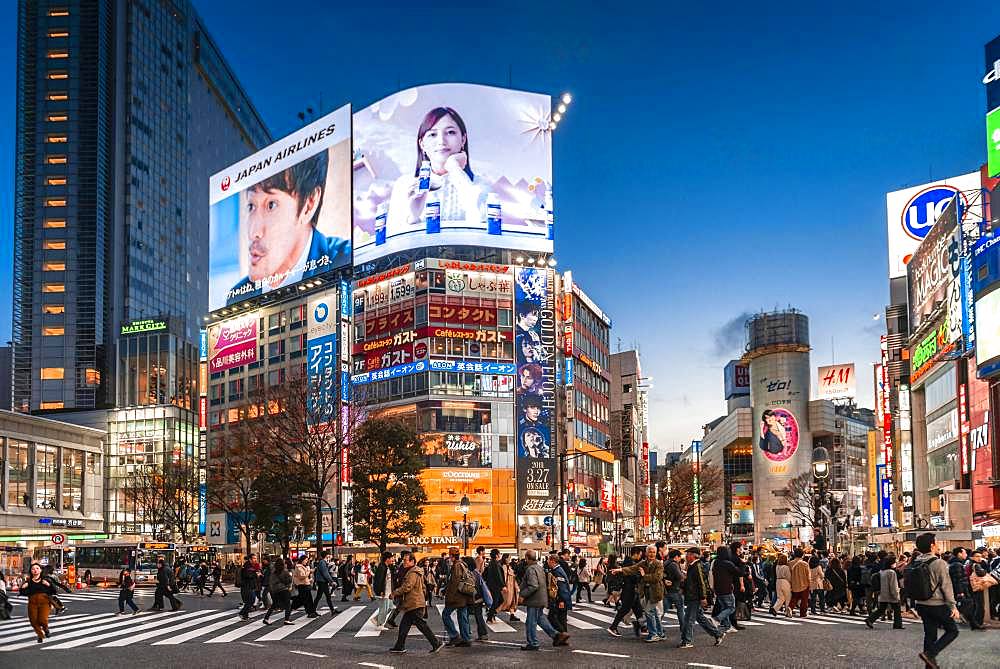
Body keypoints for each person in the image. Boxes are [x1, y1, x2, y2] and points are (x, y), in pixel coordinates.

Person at [226, 150, 350, 305]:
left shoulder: (347, 261)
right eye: (251, 206)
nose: (253, 232)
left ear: (309, 204)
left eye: (271, 205)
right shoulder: (238, 297)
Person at [386, 106, 485, 233]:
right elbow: (392, 242)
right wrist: (413, 218)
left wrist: (455, 169)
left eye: (450, 132)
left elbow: (487, 226)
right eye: (432, 134)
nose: (441, 141)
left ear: (463, 139)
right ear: (422, 144)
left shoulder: (478, 184)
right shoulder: (405, 185)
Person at [911, 533, 960, 669]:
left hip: (921, 603)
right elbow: (946, 586)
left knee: (930, 634)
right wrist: (953, 607)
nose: (938, 545)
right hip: (937, 604)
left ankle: (929, 665)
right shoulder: (939, 563)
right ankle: (930, 654)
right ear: (932, 545)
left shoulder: (915, 561)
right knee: (952, 630)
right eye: (936, 542)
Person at [388, 552, 444, 654]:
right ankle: (399, 646)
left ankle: (436, 643)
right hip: (413, 602)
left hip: (414, 603)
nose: (403, 562)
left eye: (406, 560)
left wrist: (395, 593)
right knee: (404, 625)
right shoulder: (412, 571)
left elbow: (407, 586)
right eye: (403, 560)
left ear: (412, 561)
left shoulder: (413, 573)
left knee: (421, 625)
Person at [518, 549, 570, 650]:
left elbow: (533, 585)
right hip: (542, 598)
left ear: (527, 558)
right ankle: (556, 635)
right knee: (540, 619)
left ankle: (533, 643)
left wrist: (522, 595)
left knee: (531, 622)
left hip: (534, 600)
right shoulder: (539, 567)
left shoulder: (531, 569)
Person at [613, 544, 666, 642]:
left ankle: (653, 634)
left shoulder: (658, 564)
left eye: (653, 552)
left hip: (655, 592)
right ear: (646, 553)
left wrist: (644, 575)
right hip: (645, 592)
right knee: (655, 613)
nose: (651, 554)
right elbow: (632, 568)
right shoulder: (643, 563)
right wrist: (619, 570)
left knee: (649, 612)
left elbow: (657, 578)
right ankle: (660, 633)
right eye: (650, 552)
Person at [679, 547, 724, 648]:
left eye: (688, 554)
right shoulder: (692, 566)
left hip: (695, 596)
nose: (686, 556)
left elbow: (701, 582)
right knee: (700, 618)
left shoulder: (697, 566)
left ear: (694, 555)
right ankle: (717, 634)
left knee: (689, 619)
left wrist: (703, 597)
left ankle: (687, 641)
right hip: (693, 595)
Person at [607, 546, 645, 637]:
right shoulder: (629, 563)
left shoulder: (630, 562)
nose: (640, 557)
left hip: (631, 590)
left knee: (638, 609)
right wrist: (640, 576)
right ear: (635, 554)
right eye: (639, 555)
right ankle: (613, 627)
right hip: (629, 590)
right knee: (625, 609)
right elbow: (631, 576)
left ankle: (642, 626)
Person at [710, 546, 744, 635]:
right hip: (726, 588)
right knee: (731, 607)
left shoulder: (716, 562)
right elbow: (739, 572)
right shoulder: (728, 563)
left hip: (718, 588)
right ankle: (717, 619)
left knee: (724, 607)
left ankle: (728, 626)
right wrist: (742, 563)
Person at [866, 554, 903, 630]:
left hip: (883, 594)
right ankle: (897, 624)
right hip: (891, 595)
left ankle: (870, 619)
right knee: (897, 609)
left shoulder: (882, 571)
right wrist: (896, 595)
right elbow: (893, 585)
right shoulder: (891, 572)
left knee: (881, 609)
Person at [22, 563, 56, 643]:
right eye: (33, 569)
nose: (35, 570)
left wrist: (48, 585)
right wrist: (23, 587)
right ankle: (40, 635)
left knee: (42, 619)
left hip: (44, 602)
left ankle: (46, 629)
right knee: (33, 621)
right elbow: (23, 592)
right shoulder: (28, 581)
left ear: (40, 570)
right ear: (31, 571)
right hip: (32, 603)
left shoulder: (46, 580)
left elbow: (54, 591)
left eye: (37, 568)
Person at [545, 553, 573, 635]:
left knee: (553, 617)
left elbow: (562, 587)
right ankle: (563, 637)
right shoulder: (557, 570)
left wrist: (561, 600)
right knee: (561, 619)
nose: (547, 562)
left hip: (560, 599)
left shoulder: (557, 572)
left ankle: (563, 634)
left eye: (548, 560)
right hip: (560, 599)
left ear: (553, 561)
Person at [262, 558, 294, 625]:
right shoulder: (284, 571)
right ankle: (287, 619)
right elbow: (289, 580)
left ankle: (266, 618)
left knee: (274, 604)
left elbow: (271, 581)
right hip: (284, 589)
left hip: (275, 590)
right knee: (288, 605)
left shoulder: (273, 572)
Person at [662, 549, 685, 630]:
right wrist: (683, 575)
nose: (680, 559)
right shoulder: (674, 565)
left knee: (663, 610)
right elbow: (680, 577)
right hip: (675, 590)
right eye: (679, 557)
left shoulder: (665, 563)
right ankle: (683, 627)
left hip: (666, 590)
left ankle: (647, 624)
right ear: (676, 557)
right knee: (680, 609)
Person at [313, 551, 339, 615]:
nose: (329, 556)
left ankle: (332, 610)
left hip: (322, 581)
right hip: (322, 582)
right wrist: (331, 581)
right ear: (326, 555)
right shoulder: (322, 562)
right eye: (328, 555)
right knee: (321, 596)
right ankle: (312, 610)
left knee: (324, 596)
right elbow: (325, 573)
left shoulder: (323, 562)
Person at [788, 548, 811, 618]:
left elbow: (788, 575)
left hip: (794, 583)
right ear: (802, 555)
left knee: (795, 598)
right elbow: (808, 575)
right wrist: (810, 583)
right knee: (804, 600)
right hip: (804, 583)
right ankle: (803, 613)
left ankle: (790, 607)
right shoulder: (805, 564)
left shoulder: (790, 563)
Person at [484, 549, 506, 621]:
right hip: (495, 586)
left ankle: (492, 614)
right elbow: (498, 575)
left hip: (491, 585)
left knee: (499, 600)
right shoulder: (496, 564)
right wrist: (503, 586)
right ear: (496, 555)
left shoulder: (491, 563)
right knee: (496, 601)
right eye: (499, 554)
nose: (500, 555)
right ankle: (490, 616)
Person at [498, 554, 520, 622]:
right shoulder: (504, 567)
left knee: (512, 602)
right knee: (506, 602)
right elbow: (504, 578)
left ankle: (512, 615)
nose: (510, 559)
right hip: (508, 587)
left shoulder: (508, 566)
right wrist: (504, 586)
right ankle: (493, 613)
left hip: (512, 586)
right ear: (505, 559)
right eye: (509, 558)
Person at [238, 556, 259, 621]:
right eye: (254, 558)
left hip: (249, 585)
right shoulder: (247, 566)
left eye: (256, 558)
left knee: (249, 601)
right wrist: (256, 575)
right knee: (251, 600)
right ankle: (242, 613)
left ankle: (245, 616)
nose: (255, 560)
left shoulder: (250, 565)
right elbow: (248, 575)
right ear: (250, 559)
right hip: (247, 586)